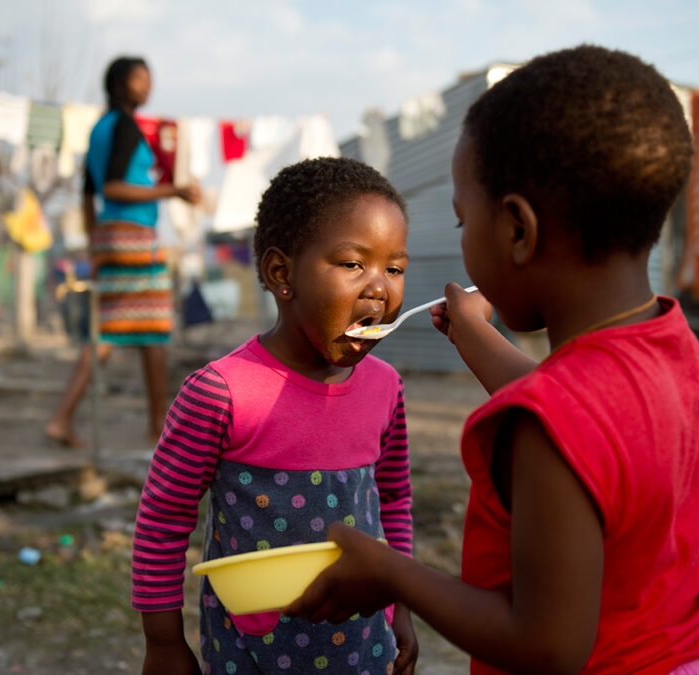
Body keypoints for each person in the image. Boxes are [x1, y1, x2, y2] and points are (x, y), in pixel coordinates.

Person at [286, 46, 699, 674]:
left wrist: (392, 573)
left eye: (462, 220)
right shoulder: (667, 340)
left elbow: (545, 646)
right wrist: (474, 336)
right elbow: (595, 425)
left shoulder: (550, 426)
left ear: (519, 230)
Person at [132, 157, 419, 675]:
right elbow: (162, 521)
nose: (380, 287)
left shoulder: (386, 389)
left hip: (364, 643)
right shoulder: (220, 392)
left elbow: (394, 500)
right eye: (354, 264)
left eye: (394, 268)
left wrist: (401, 609)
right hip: (253, 652)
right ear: (281, 273)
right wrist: (163, 641)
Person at [45, 56, 200, 448]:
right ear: (118, 85)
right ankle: (158, 430)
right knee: (154, 332)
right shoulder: (126, 127)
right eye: (137, 79)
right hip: (134, 237)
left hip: (108, 237)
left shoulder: (98, 130)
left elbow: (87, 195)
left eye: (148, 78)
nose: (146, 86)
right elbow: (113, 188)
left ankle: (62, 419)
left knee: (106, 332)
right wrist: (173, 190)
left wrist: (96, 243)